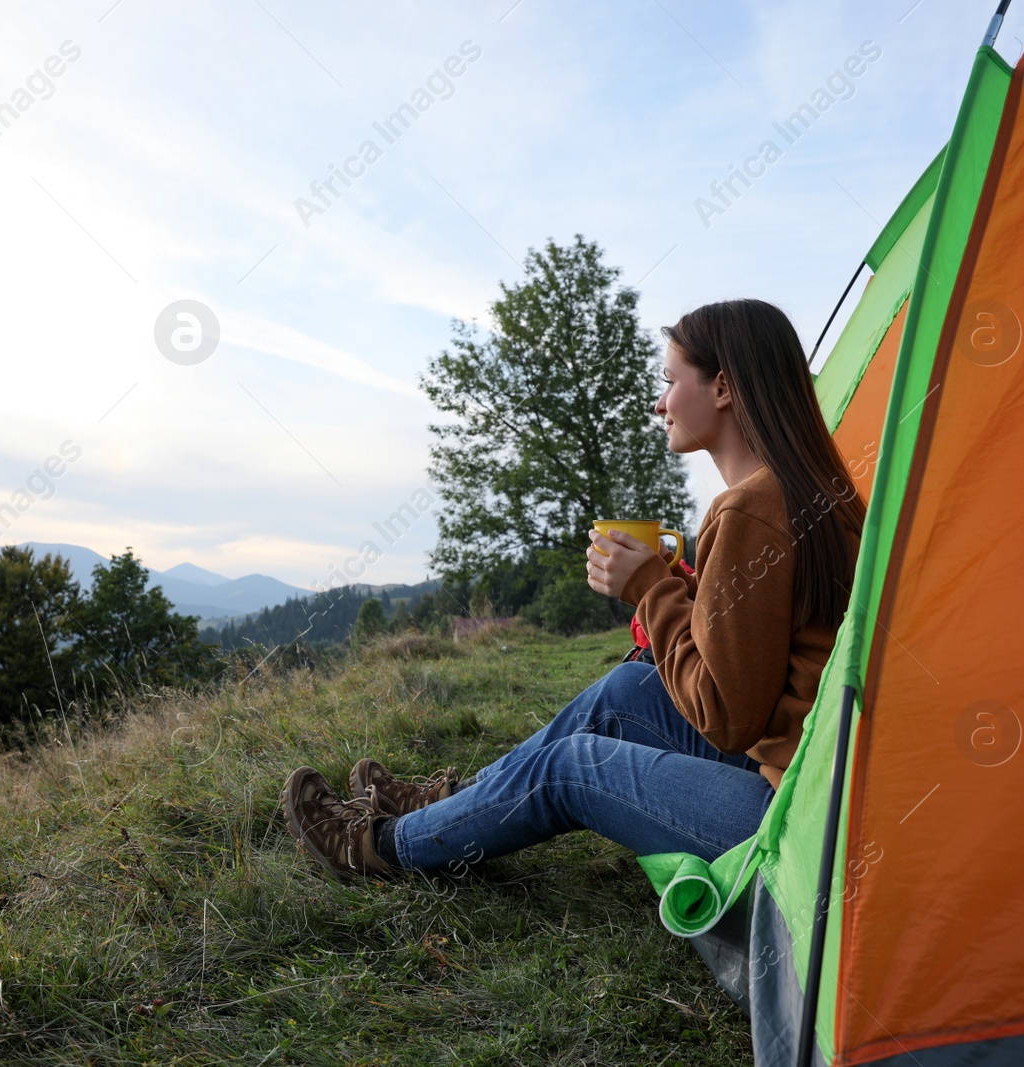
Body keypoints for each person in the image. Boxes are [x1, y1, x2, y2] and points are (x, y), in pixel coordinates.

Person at [281, 298, 866, 879]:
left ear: (723, 387)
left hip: (792, 820)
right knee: (632, 687)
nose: (660, 402)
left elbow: (726, 717)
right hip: (817, 778)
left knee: (570, 768)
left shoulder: (752, 509)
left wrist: (650, 590)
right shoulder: (812, 489)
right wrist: (691, 599)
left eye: (669, 380)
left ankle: (383, 846)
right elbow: (771, 659)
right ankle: (452, 802)